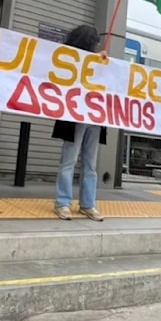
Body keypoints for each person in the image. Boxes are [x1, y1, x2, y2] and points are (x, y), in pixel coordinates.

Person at [51, 25, 107, 222]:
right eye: (95, 41)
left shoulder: (98, 61)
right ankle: (63, 203)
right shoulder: (69, 60)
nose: (98, 44)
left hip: (94, 117)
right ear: (88, 41)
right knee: (70, 160)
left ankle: (87, 204)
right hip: (75, 117)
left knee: (89, 164)